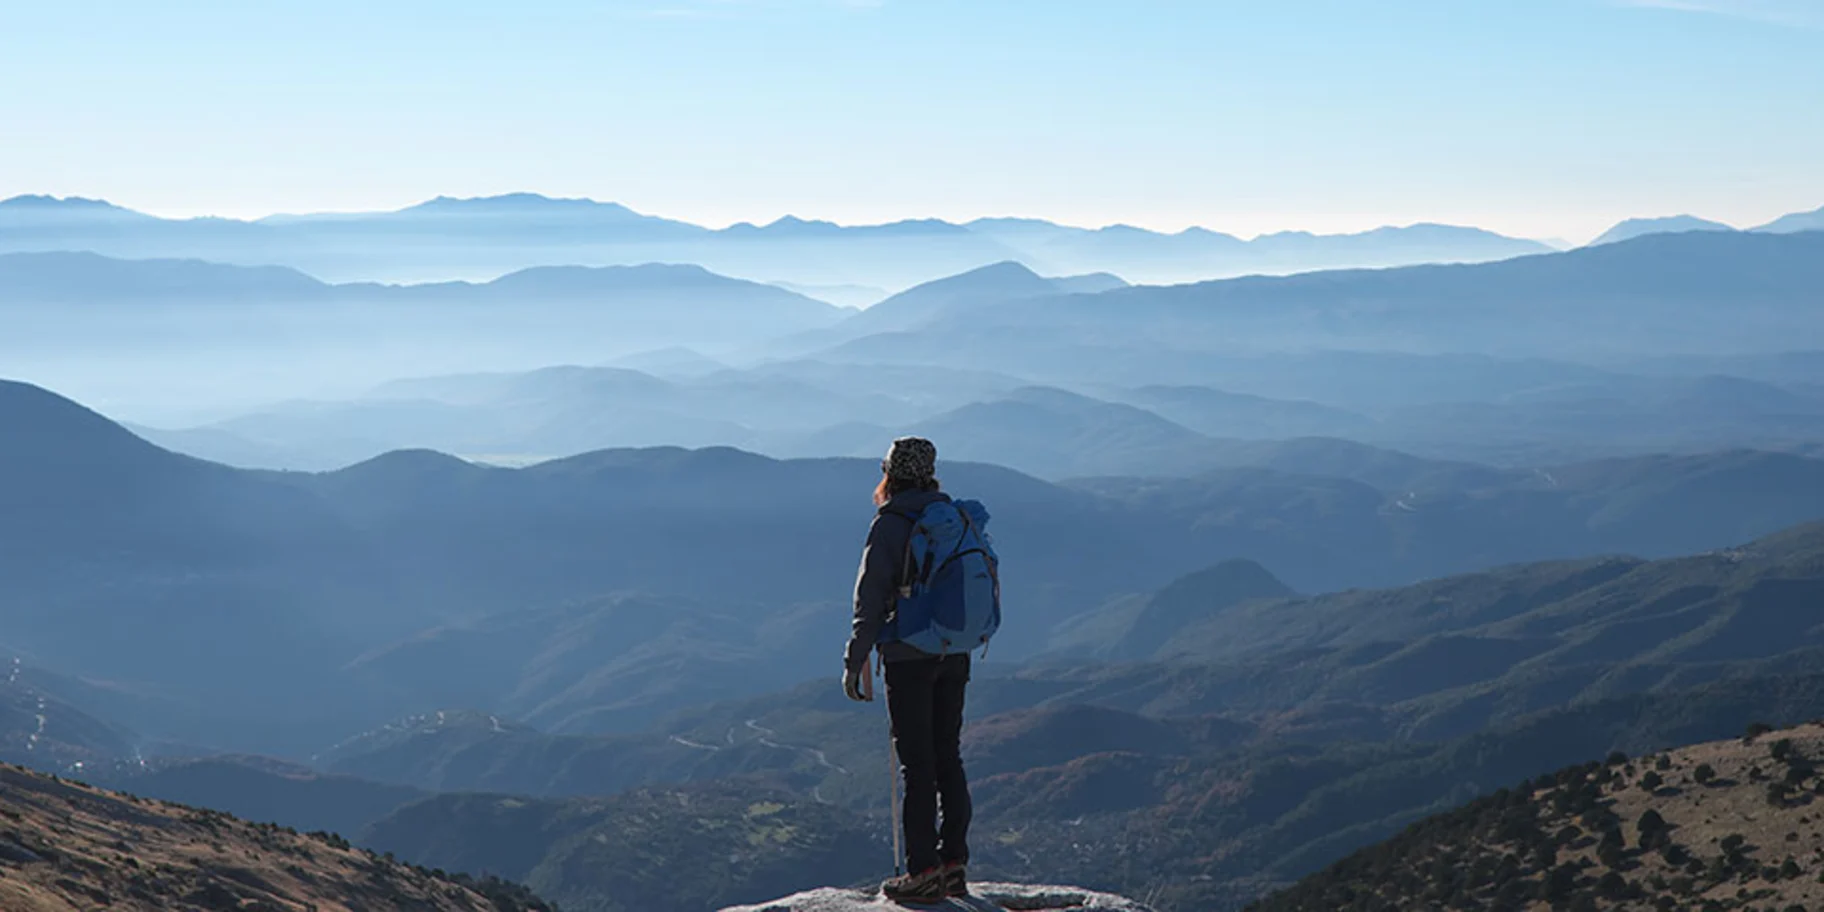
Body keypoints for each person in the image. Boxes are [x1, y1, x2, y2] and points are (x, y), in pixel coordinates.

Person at [844, 436, 975, 903]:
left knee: (917, 766)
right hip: (954, 652)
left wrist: (856, 659)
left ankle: (922, 871)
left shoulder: (891, 523)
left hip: (907, 658)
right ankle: (954, 863)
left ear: (890, 474)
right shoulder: (953, 518)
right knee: (948, 756)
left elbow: (870, 599)